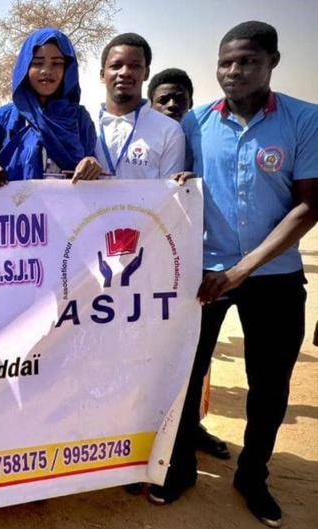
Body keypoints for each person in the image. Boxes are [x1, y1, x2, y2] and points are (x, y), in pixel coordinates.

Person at [149, 23, 317, 529]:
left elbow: (309, 206)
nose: (234, 71)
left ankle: (253, 474)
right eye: (226, 62)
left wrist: (243, 271)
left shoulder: (303, 120)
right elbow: (171, 190)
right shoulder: (195, 124)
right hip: (202, 277)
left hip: (274, 276)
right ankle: (179, 468)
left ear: (273, 61)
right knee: (184, 374)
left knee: (268, 385)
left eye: (246, 61)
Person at [148, 67, 231, 461]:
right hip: (149, 267)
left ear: (190, 102)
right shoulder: (147, 135)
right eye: (163, 99)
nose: (171, 106)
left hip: (199, 265)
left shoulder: (200, 133)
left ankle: (192, 425)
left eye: (179, 99)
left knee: (195, 355)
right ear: (151, 102)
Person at [0, 28, 98, 186]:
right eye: (37, 63)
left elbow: (90, 167)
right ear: (25, 68)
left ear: (67, 69)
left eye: (56, 63)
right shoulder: (1, 121)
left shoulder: (79, 119)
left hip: (69, 209)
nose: (46, 71)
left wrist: (91, 163)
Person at [74, 33, 185, 181]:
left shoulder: (169, 131)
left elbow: (170, 196)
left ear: (146, 73)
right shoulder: (82, 123)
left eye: (135, 66)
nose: (125, 72)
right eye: (116, 66)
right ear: (102, 75)